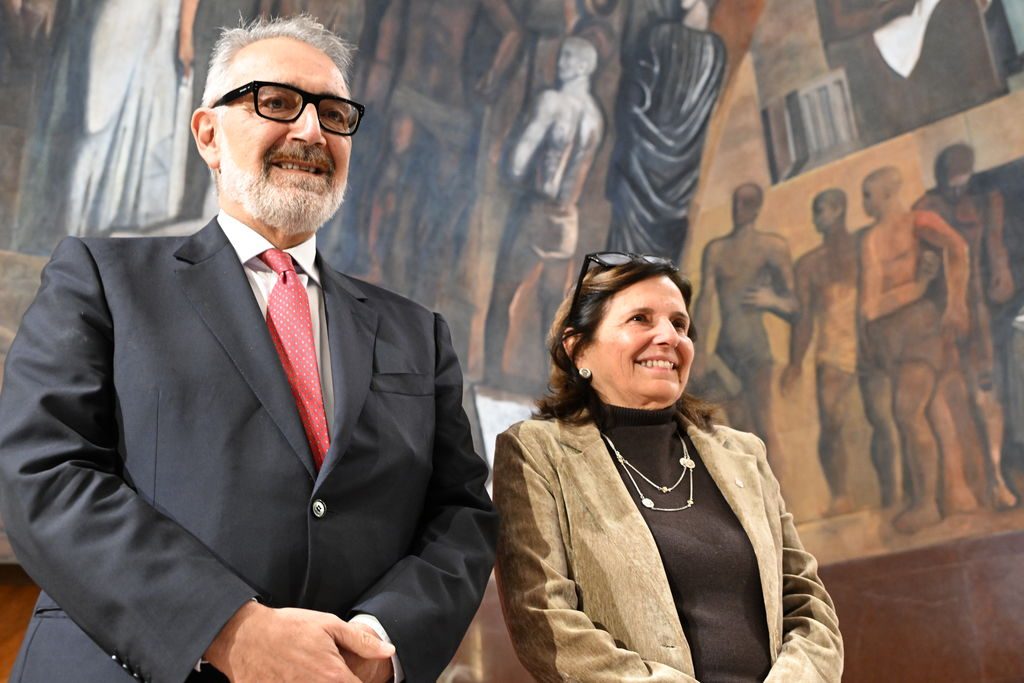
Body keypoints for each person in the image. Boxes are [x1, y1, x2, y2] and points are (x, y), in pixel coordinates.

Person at [0, 15, 497, 683]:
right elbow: (43, 472)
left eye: (334, 113)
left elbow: (460, 516)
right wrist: (229, 627)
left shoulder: (417, 332)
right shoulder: (104, 280)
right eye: (278, 102)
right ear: (208, 133)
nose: (311, 131)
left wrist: (382, 641)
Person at [493, 252, 843, 682]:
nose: (668, 336)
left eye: (679, 324)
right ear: (577, 347)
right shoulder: (536, 452)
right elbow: (543, 620)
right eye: (640, 319)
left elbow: (807, 604)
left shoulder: (744, 454)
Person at [858, 166, 977, 532]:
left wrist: (956, 302)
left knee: (908, 411)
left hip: (921, 331)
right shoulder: (873, 240)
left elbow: (958, 248)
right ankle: (953, 496)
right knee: (930, 410)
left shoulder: (919, 221)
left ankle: (927, 503)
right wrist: (919, 286)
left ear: (888, 192)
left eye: (869, 194)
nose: (865, 202)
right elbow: (871, 306)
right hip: (893, 336)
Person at [484, 34, 604, 393]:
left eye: (569, 58)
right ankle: (546, 386)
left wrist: (503, 164)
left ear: (584, 67)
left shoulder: (551, 102)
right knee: (553, 308)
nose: (562, 64)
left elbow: (518, 162)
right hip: (565, 218)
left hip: (534, 208)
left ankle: (490, 375)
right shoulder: (595, 117)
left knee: (503, 294)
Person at [691, 182, 797, 470]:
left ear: (757, 208)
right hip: (726, 349)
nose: (740, 209)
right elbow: (705, 302)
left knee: (764, 423)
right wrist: (698, 353)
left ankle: (778, 505)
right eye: (737, 202)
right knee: (737, 428)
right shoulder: (716, 250)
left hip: (756, 350)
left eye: (747, 203)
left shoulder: (772, 247)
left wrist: (772, 300)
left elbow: (795, 304)